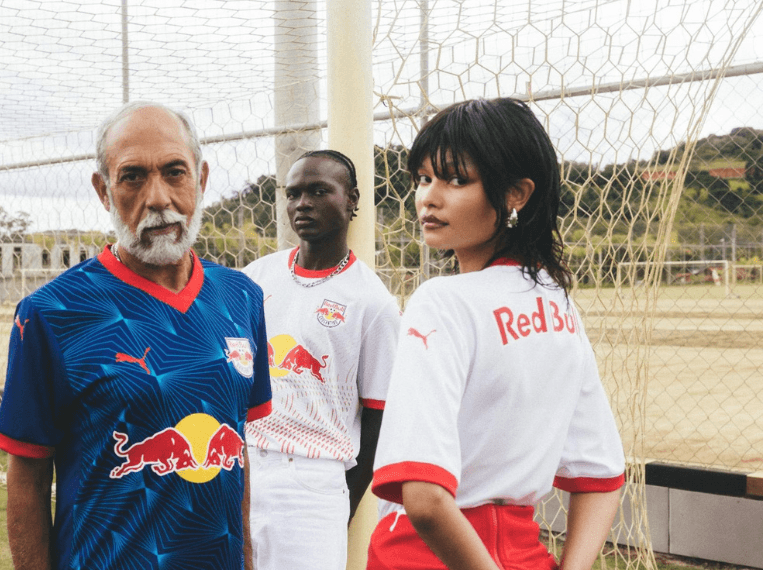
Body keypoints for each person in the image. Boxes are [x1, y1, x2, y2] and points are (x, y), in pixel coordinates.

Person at [0, 102, 272, 570]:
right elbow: (28, 477)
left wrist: (245, 557)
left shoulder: (242, 297)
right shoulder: (50, 314)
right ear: (103, 190)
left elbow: (234, 448)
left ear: (200, 180)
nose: (158, 197)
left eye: (174, 172)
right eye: (133, 177)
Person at [368, 98, 625, 570]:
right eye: (424, 178)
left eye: (457, 179)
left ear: (516, 194)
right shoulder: (557, 301)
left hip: (425, 556)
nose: (429, 196)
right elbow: (602, 475)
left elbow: (424, 499)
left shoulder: (441, 301)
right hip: (526, 555)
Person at [242, 150, 401, 570]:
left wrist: (340, 500)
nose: (302, 204)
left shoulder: (373, 302)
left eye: (318, 191)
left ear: (352, 200)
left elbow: (379, 418)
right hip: (242, 469)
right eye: (293, 194)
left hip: (312, 485)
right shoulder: (256, 278)